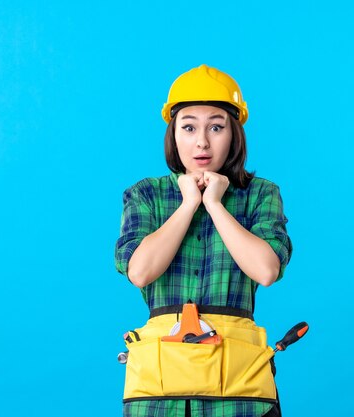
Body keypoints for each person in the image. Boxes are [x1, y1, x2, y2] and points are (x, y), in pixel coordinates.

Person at [115, 64, 293, 417]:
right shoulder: (146, 195)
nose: (202, 141)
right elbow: (140, 271)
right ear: (173, 134)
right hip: (158, 396)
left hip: (241, 397)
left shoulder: (259, 194)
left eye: (216, 126)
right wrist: (188, 204)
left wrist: (214, 203)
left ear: (234, 135)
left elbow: (267, 270)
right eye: (189, 127)